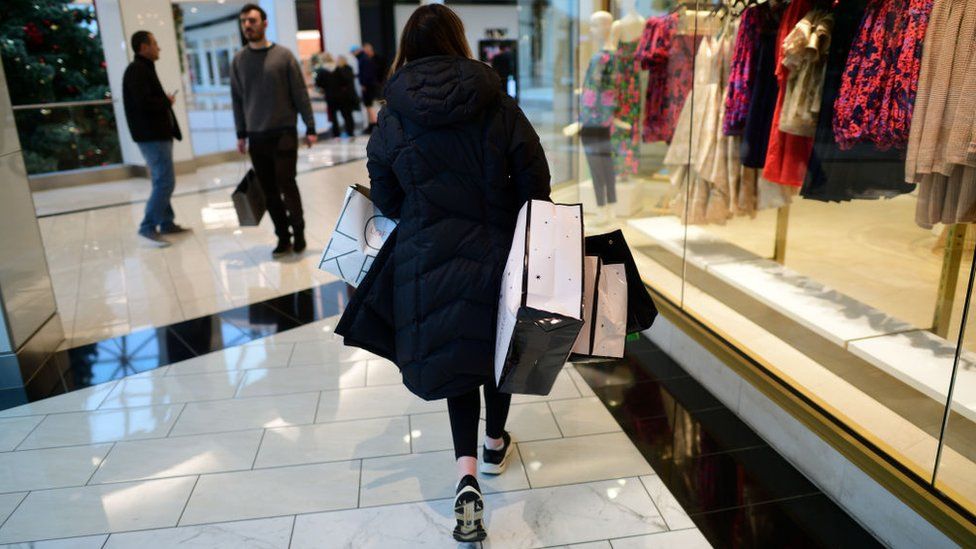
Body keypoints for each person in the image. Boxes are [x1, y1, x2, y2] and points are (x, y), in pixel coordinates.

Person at [335, 4, 550, 542]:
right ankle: (495, 445)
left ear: (409, 47)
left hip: (427, 251)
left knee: (457, 355)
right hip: (496, 245)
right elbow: (535, 178)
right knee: (497, 347)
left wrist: (422, 213)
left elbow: (384, 191)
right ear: (458, 40)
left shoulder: (395, 113)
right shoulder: (497, 101)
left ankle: (465, 476)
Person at [231, 3, 317, 258]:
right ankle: (283, 237)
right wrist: (240, 134)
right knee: (269, 191)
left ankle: (299, 231)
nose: (248, 25)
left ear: (264, 23)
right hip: (256, 136)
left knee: (286, 183)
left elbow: (300, 93)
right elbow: (237, 99)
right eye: (244, 21)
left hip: (284, 133)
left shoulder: (284, 55)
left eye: (252, 20)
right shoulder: (239, 60)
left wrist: (310, 126)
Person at [122, 30, 189, 248]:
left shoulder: (143, 69)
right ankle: (148, 226)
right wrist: (166, 102)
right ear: (144, 47)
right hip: (152, 135)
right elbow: (144, 104)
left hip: (156, 134)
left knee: (161, 180)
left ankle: (166, 222)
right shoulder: (137, 71)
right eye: (155, 43)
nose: (158, 47)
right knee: (165, 181)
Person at [314, 53, 359, 138]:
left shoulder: (321, 71)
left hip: (330, 96)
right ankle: (350, 132)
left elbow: (318, 84)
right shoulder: (337, 68)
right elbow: (344, 80)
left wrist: (325, 87)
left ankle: (336, 134)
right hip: (341, 95)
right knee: (346, 115)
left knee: (333, 116)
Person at [351, 43, 382, 134]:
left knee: (370, 106)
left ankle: (373, 124)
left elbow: (366, 73)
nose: (353, 54)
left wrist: (363, 84)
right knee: (368, 106)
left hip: (368, 86)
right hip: (370, 85)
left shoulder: (364, 59)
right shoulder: (364, 59)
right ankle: (371, 124)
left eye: (353, 52)